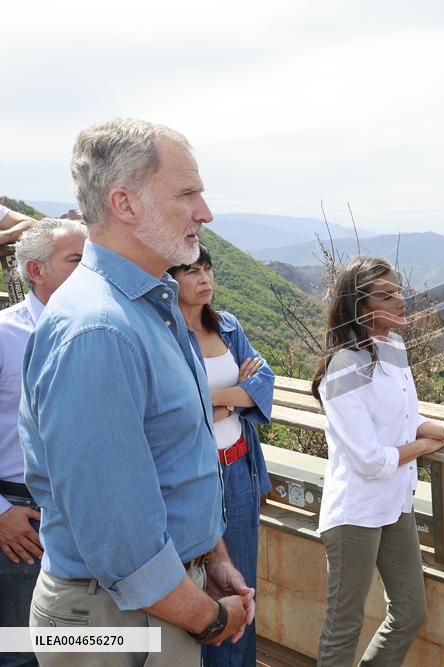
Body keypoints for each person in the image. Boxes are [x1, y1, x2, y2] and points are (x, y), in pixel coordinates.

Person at [18, 119, 253, 666]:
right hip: (113, 619)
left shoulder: (149, 310)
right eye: (187, 193)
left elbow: (174, 457)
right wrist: (211, 618)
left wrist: (211, 557)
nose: (205, 212)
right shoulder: (99, 330)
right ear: (124, 203)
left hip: (153, 602)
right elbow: (118, 535)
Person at [312, 255, 444, 666]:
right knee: (344, 625)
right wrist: (427, 448)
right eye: (387, 295)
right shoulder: (344, 367)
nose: (401, 300)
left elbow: (408, 419)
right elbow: (369, 460)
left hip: (394, 502)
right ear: (360, 306)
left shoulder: (392, 346)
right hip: (356, 512)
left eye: (399, 290)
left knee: (410, 610)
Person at [169, 242, 274, 667]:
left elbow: (263, 384)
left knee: (242, 580)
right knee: (202, 581)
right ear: (168, 278)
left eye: (207, 269)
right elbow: (177, 404)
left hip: (239, 467)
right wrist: (236, 397)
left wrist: (220, 404)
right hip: (195, 472)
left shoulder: (228, 326)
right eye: (192, 271)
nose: (205, 278)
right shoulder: (165, 333)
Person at [0, 218, 86, 667]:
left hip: (83, 516)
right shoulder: (4, 335)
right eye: (76, 259)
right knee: (19, 652)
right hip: (20, 521)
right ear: (36, 270)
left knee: (78, 650)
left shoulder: (99, 332)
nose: (89, 268)